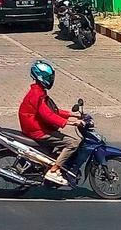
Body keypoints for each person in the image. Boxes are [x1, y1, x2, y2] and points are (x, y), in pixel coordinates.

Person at [18, 59, 80, 187]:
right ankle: (54, 170)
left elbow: (52, 111)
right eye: (48, 77)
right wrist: (69, 122)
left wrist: (71, 114)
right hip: (38, 131)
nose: (51, 80)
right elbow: (48, 116)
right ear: (41, 77)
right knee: (73, 143)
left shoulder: (39, 92)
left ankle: (51, 164)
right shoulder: (37, 95)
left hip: (36, 127)